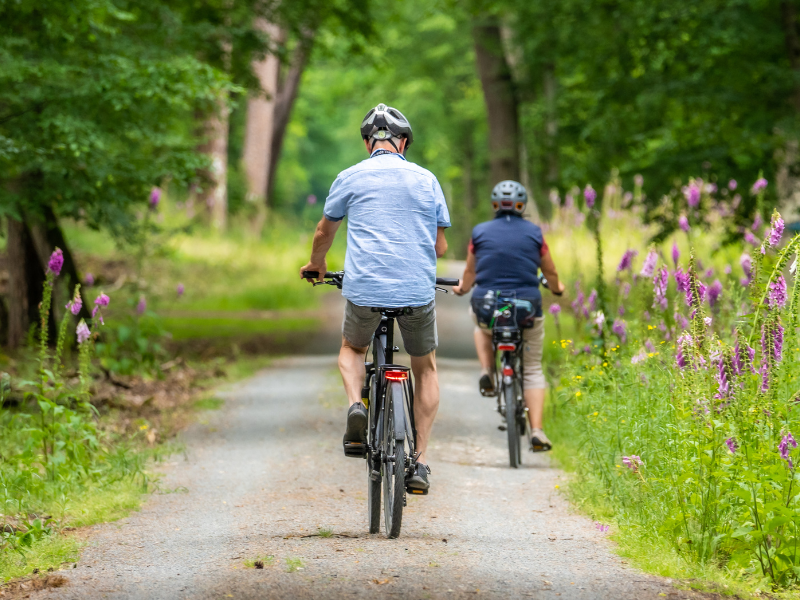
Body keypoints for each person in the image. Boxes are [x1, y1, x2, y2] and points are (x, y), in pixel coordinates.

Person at [300, 103, 450, 492]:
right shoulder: (426, 179)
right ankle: (419, 462)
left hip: (365, 288)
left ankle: (356, 405)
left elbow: (323, 232)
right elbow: (441, 245)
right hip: (416, 289)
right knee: (426, 367)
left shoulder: (350, 176)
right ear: (403, 142)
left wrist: (317, 265)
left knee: (352, 348)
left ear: (368, 143)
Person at [452, 180, 564, 452]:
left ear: (494, 205)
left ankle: (487, 370)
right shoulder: (535, 233)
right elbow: (549, 271)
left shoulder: (479, 232)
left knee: (480, 324)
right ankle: (537, 430)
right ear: (521, 205)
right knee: (534, 369)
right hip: (526, 307)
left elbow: (470, 272)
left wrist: (463, 288)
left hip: (488, 306)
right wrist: (558, 288)